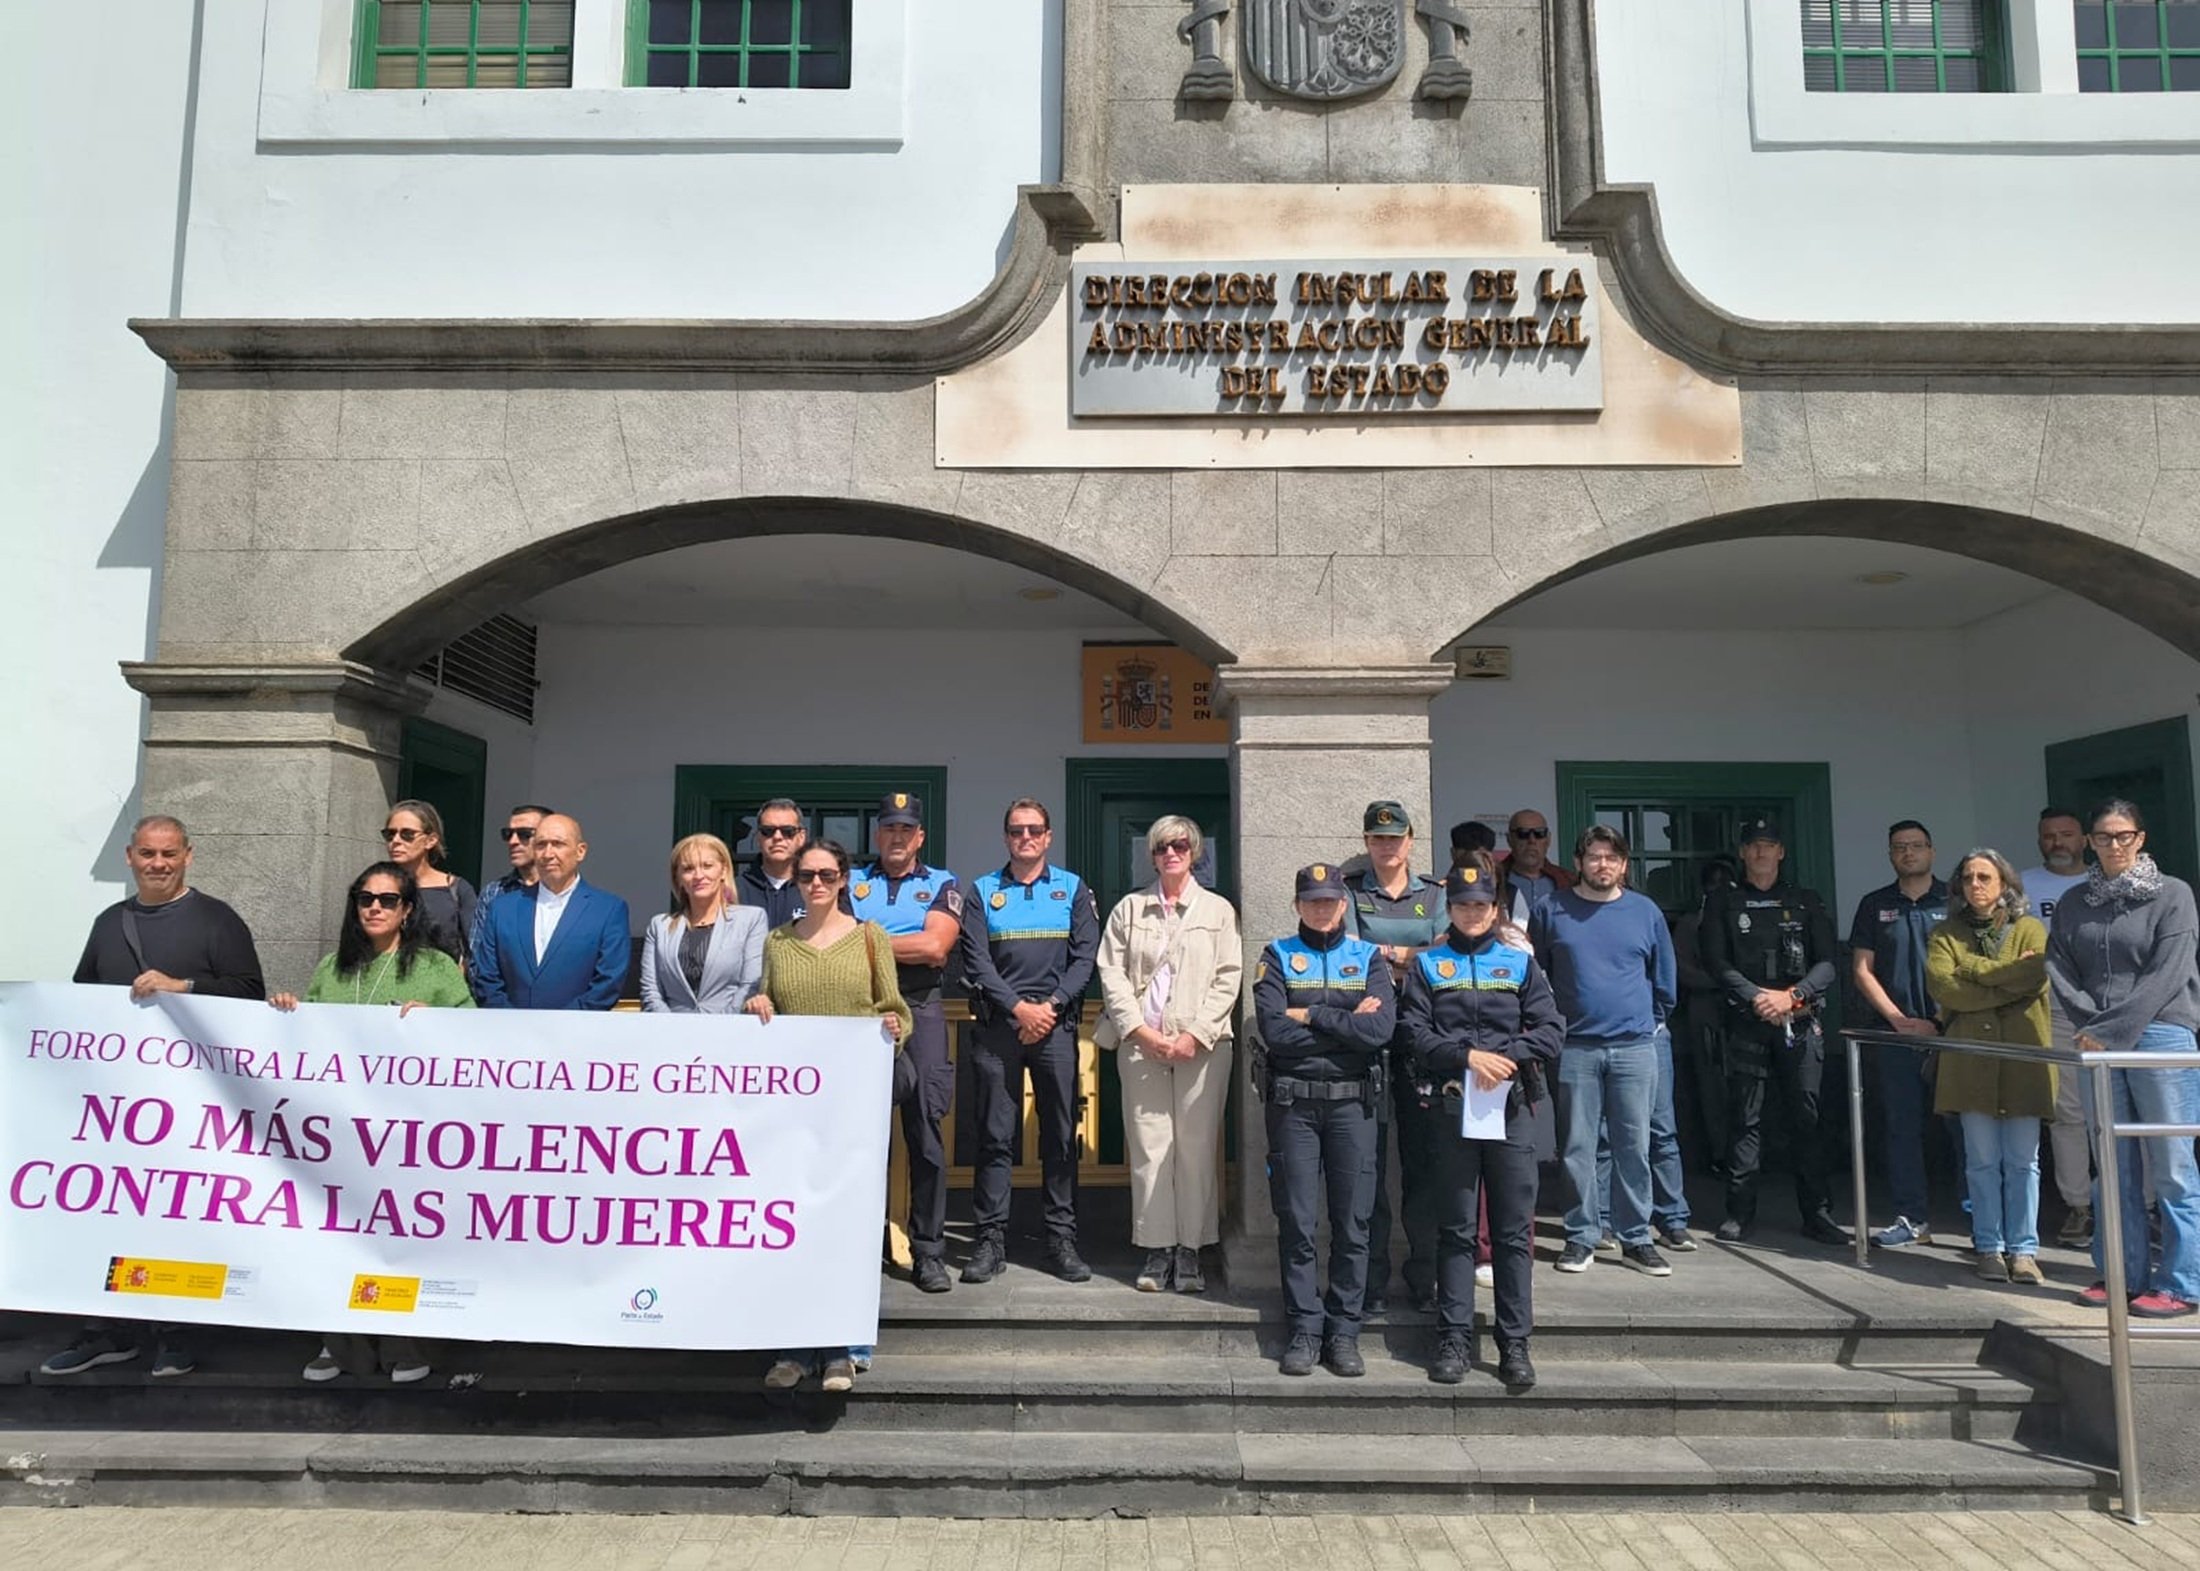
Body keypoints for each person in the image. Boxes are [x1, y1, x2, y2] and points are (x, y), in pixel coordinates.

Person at [44, 814, 266, 1379]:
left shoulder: (218, 920)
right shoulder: (108, 922)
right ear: (129, 857)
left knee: (175, 1217)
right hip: (117, 1107)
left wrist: (182, 987)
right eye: (148, 854)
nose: (158, 864)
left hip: (189, 1106)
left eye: (169, 854)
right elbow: (81, 1003)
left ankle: (175, 1331)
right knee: (110, 1213)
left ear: (188, 855)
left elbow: (249, 994)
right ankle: (106, 1329)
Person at [269, 862, 472, 1383]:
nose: (374, 908)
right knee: (338, 1235)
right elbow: (303, 1039)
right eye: (365, 899)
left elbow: (475, 1034)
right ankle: (338, 1344)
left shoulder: (435, 967)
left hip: (408, 1132)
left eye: (387, 899)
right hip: (340, 1132)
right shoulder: (332, 968)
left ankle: (406, 1341)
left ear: (407, 910)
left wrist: (437, 1021)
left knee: (399, 1236)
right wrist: (286, 1011)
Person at [744, 839, 913, 1388]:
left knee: (851, 1224)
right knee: (792, 1222)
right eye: (806, 876)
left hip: (853, 1106)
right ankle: (792, 1347)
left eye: (826, 875)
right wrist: (758, 1004)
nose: (816, 884)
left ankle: (844, 1346)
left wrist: (893, 1029)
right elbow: (766, 1003)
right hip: (794, 1110)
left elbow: (896, 1010)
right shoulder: (777, 943)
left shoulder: (870, 938)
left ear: (843, 880)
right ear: (794, 881)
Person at [1401, 854, 1565, 1390]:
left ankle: (1514, 1344)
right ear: (1449, 909)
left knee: (1515, 1233)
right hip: (1451, 1107)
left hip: (1512, 1108)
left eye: (1480, 905)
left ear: (1495, 909)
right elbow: (1414, 1034)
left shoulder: (1520, 964)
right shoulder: (1429, 965)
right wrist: (1468, 1057)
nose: (1470, 912)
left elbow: (1551, 1029)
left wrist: (1507, 1055)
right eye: (1461, 905)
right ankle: (1452, 1337)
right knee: (1455, 1229)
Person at [2047, 799, 2200, 1319]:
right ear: (2090, 842)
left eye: (2124, 836)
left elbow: (2168, 974)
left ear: (2141, 838)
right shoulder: (2073, 901)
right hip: (2097, 1041)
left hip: (2160, 1036)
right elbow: (2060, 966)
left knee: (2173, 1168)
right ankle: (2121, 1273)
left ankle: (2181, 1283)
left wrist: (2109, 1030)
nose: (2114, 846)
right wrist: (2094, 1025)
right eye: (2104, 837)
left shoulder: (2173, 895)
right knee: (2111, 1166)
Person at [1251, 863, 1393, 1376]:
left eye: (1330, 900)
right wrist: (1348, 1023)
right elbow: (1273, 1031)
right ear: (1297, 905)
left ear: (1343, 903)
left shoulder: (1367, 957)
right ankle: (1305, 1330)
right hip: (1295, 1107)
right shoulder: (1277, 956)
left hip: (1353, 1107)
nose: (1322, 907)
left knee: (1353, 1224)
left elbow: (1380, 1030)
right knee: (1298, 1222)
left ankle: (1344, 1333)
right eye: (1312, 900)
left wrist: (1310, 1014)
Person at [1096, 816, 1243, 1296]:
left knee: (1197, 1149)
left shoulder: (1218, 910)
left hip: (1202, 1047)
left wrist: (1195, 1034)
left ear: (1195, 852)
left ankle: (1192, 1249)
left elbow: (1228, 976)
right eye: (1162, 846)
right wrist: (1139, 1031)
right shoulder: (1130, 910)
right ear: (1152, 855)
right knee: (1150, 1148)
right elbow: (1111, 975)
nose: (1171, 853)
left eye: (1180, 845)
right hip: (1142, 1045)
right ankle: (1157, 1247)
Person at [958, 798, 1101, 1284]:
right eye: (1016, 831)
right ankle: (989, 1241)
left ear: (1048, 836)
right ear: (1006, 838)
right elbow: (975, 961)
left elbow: (1086, 958)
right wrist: (1020, 1009)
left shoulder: (1072, 889)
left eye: (1034, 830)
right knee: (995, 1136)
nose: (1025, 838)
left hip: (1056, 1026)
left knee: (1061, 1136)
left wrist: (1050, 1006)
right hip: (1000, 1025)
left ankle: (1060, 1238)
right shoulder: (981, 891)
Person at [1534, 825, 1678, 1277]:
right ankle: (1582, 1236)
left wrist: (1650, 1021)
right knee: (1577, 1147)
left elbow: (1664, 979)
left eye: (1611, 858)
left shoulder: (1645, 911)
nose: (1602, 865)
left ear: (1623, 865)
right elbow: (1538, 973)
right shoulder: (1551, 909)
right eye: (1593, 856)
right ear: (1578, 862)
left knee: (1633, 1146)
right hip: (1575, 1046)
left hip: (1636, 1046)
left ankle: (1636, 1237)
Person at [1702, 818, 1849, 1247]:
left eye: (1769, 846)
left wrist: (1793, 997)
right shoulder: (1722, 902)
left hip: (1799, 1023)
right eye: (1754, 846)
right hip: (1748, 1022)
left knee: (1808, 1119)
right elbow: (1716, 961)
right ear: (1743, 853)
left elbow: (1827, 963)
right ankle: (1739, 1212)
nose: (1762, 853)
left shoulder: (1804, 900)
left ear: (1781, 853)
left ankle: (1817, 1214)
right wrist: (1758, 999)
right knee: (1744, 1120)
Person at [846, 793, 965, 1294]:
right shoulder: (851, 880)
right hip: (859, 1010)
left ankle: (929, 1251)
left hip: (920, 1010)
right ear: (878, 834)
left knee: (925, 1135)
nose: (897, 837)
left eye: (906, 829)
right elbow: (829, 942)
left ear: (919, 837)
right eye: (888, 828)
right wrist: (901, 946)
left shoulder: (943, 884)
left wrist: (865, 941)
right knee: (856, 1136)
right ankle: (854, 1245)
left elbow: (936, 947)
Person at [1925, 849, 2055, 1286]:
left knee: (2023, 1161)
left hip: (2023, 1059)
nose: (1976, 885)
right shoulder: (1945, 932)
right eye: (1967, 878)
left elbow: (2034, 975)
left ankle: (2023, 1250)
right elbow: (1946, 987)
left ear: (2005, 884)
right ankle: (1988, 1247)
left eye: (1985, 877)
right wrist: (2002, 981)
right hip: (1970, 1062)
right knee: (1981, 1161)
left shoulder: (2030, 927)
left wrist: (1974, 970)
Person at [1345, 800, 1446, 1316]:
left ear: (1411, 841)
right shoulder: (1348, 892)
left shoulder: (1435, 894)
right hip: (1365, 1041)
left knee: (1424, 1166)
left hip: (1421, 1041)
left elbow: (1447, 953)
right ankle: (1372, 1281)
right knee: (1369, 1168)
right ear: (1366, 843)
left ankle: (1425, 1275)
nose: (1387, 846)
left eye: (1396, 838)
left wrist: (1386, 956)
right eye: (1377, 838)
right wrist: (1405, 958)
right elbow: (1348, 956)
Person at [1851, 821, 1955, 1251]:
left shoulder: (1956, 899)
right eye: (1899, 847)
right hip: (1895, 1034)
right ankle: (1912, 1217)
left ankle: (1980, 1222)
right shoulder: (1875, 904)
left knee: (1967, 1128)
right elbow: (1861, 969)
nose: (1908, 853)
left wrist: (1939, 1018)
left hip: (1952, 1033)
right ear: (1890, 855)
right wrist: (1897, 1019)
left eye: (1916, 846)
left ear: (1932, 850)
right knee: (1901, 1128)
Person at [2022, 807, 2095, 1246]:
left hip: (2111, 1009)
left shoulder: (2103, 881)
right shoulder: (2026, 885)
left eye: (2066, 834)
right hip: (2054, 1006)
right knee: (2067, 1112)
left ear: (2084, 839)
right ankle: (2079, 1206)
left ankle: (2139, 1205)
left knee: (2121, 1111)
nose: (2057, 843)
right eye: (2049, 836)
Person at [472, 814, 631, 1011]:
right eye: (540, 845)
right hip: (511, 1033)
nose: (548, 854)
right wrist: (512, 1023)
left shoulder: (608, 910)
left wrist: (558, 1027)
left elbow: (608, 982)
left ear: (580, 851)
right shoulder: (502, 909)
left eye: (558, 844)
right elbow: (486, 977)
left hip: (577, 1034)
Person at [639, 832, 766, 1014]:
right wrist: (670, 1028)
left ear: (723, 871)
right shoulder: (659, 926)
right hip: (671, 1034)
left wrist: (717, 1028)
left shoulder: (751, 920)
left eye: (707, 866)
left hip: (730, 1032)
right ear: (678, 877)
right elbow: (650, 992)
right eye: (688, 869)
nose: (699, 875)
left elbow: (750, 985)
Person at [1672, 856, 1740, 1179]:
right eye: (1715, 884)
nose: (1721, 890)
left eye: (1728, 883)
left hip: (1743, 1010)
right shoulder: (1690, 923)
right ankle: (1718, 1153)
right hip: (1705, 1009)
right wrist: (1721, 982)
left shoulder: (1742, 919)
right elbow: (1680, 968)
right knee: (1711, 1085)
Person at [380, 798, 477, 967]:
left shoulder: (456, 889)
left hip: (440, 987)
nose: (395, 841)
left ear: (431, 840)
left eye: (407, 835)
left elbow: (475, 948)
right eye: (390, 834)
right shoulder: (376, 886)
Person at [470, 803, 551, 979]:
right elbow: (477, 958)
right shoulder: (494, 893)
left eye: (524, 834)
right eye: (508, 834)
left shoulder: (565, 893)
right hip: (499, 1001)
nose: (513, 841)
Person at [737, 798, 809, 928]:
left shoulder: (817, 888)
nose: (777, 837)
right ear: (758, 837)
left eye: (788, 831)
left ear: (801, 837)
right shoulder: (734, 890)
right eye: (768, 831)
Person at [1503, 809, 1575, 914]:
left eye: (1539, 833)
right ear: (1509, 839)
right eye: (1523, 833)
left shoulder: (1569, 881)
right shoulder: (1493, 879)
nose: (1532, 840)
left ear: (1548, 840)